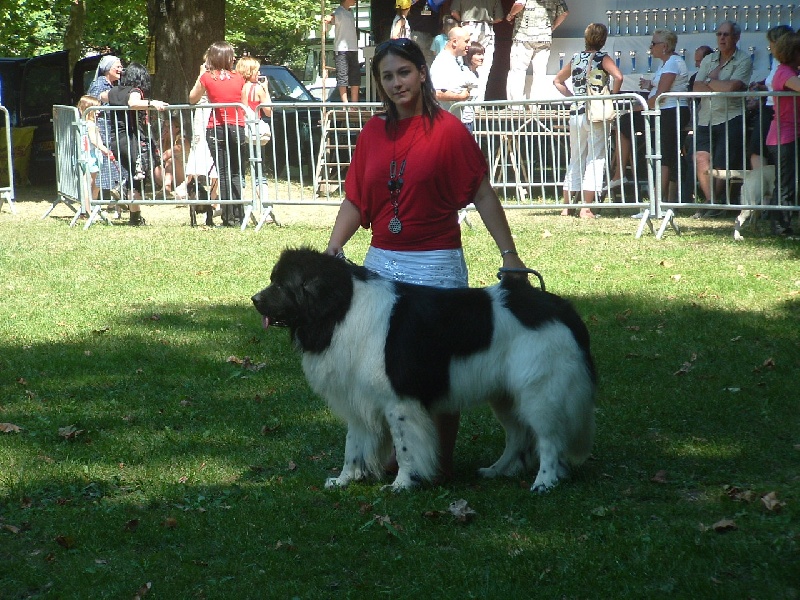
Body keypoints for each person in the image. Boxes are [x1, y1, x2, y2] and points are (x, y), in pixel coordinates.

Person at [324, 38, 526, 480]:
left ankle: (439, 461)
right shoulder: (373, 133)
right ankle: (393, 455)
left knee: (439, 367)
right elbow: (356, 198)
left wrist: (509, 254)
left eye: (404, 72)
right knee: (381, 369)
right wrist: (333, 248)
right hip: (381, 265)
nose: (397, 83)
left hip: (435, 264)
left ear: (421, 73)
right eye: (387, 76)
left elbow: (482, 194)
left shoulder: (449, 130)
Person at [608, 30, 689, 209]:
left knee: (665, 155)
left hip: (671, 112)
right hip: (663, 111)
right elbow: (662, 86)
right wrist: (649, 85)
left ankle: (657, 202)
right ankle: (621, 175)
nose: (650, 47)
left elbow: (661, 95)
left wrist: (639, 107)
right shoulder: (666, 63)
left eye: (653, 44)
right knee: (625, 123)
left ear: (664, 46)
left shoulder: (673, 62)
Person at [552, 23, 622, 219]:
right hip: (596, 112)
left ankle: (567, 207)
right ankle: (586, 207)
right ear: (603, 39)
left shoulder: (576, 58)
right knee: (595, 158)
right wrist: (611, 96)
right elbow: (618, 76)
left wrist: (572, 97)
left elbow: (557, 81)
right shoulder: (602, 58)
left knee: (575, 158)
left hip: (577, 111)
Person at [691, 21, 753, 214]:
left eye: (726, 34)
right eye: (719, 34)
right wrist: (717, 84)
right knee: (700, 158)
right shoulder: (709, 59)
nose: (722, 38)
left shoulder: (744, 59)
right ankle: (712, 202)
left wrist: (709, 81)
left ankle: (714, 204)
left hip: (731, 116)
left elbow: (732, 87)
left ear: (736, 37)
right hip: (705, 117)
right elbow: (696, 87)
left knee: (722, 162)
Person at [189, 41, 247, 227]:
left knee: (223, 173)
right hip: (237, 126)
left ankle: (228, 217)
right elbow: (243, 103)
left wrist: (201, 75)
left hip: (216, 127)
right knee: (236, 172)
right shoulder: (239, 78)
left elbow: (192, 98)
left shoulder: (207, 77)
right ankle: (238, 215)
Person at [107, 62, 169, 226]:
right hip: (132, 140)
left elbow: (102, 96)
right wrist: (151, 103)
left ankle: (135, 217)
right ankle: (122, 191)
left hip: (117, 140)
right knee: (139, 173)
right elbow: (133, 103)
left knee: (134, 175)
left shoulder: (114, 91)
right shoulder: (135, 91)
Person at [764, 32, 800, 235]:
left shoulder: (790, 71)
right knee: (785, 184)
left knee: (789, 182)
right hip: (784, 136)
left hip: (789, 134)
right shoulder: (785, 73)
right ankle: (780, 227)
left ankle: (783, 224)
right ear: (793, 53)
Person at [747, 25, 794, 170]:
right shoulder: (776, 61)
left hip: (783, 111)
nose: (770, 47)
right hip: (768, 107)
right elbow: (774, 82)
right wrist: (762, 85)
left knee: (780, 153)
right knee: (757, 149)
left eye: (771, 43)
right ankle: (762, 180)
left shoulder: (788, 65)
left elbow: (783, 82)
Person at [506, 0, 568, 105]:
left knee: (518, 70)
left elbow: (520, 4)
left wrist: (510, 15)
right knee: (540, 72)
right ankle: (536, 105)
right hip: (544, 37)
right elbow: (564, 12)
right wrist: (552, 27)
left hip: (523, 36)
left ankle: (515, 105)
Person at [86, 55, 124, 197]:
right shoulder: (99, 85)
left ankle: (113, 201)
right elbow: (91, 108)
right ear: (108, 68)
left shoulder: (112, 85)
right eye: (117, 66)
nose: (121, 69)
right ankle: (90, 203)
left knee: (108, 170)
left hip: (109, 131)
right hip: (101, 132)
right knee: (98, 172)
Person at [450, 0, 503, 100]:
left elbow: (454, 12)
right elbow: (499, 18)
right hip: (487, 29)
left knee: (464, 63)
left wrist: (463, 21)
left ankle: (465, 98)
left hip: (468, 27)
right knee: (484, 66)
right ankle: (478, 101)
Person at [77, 95, 114, 212]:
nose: (98, 112)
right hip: (91, 156)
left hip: (85, 154)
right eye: (96, 109)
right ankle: (88, 209)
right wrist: (104, 149)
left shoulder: (82, 123)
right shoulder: (91, 124)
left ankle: (89, 208)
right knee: (90, 183)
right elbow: (94, 140)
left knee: (91, 182)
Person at [323, 0, 361, 103]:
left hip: (353, 48)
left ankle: (354, 103)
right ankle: (345, 104)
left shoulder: (350, 12)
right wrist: (327, 20)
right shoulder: (339, 12)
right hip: (341, 49)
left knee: (355, 76)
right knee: (342, 76)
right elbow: (330, 18)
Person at [429, 26, 473, 111]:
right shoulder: (443, 61)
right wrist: (461, 96)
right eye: (466, 41)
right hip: (445, 116)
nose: (469, 45)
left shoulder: (454, 60)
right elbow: (437, 93)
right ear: (454, 42)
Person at [461, 42, 485, 132]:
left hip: (470, 119)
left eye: (482, 54)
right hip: (462, 120)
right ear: (469, 55)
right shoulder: (464, 72)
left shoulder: (476, 73)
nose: (482, 57)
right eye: (478, 54)